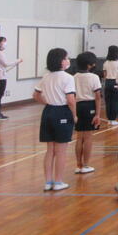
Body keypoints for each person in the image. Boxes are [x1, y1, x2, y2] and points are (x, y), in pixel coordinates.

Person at [34, 48, 76, 192]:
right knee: (61, 151)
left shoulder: (46, 77)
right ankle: (58, 182)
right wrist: (74, 115)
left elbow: (36, 95)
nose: (68, 60)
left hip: (48, 112)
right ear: (60, 61)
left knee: (50, 150)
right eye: (66, 58)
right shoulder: (67, 77)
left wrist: (47, 102)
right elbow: (70, 100)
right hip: (62, 112)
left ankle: (48, 182)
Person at [74, 52, 101, 174]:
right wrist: (98, 114)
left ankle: (78, 165)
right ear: (89, 65)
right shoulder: (94, 77)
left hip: (77, 106)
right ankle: (85, 165)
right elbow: (98, 97)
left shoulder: (74, 77)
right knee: (88, 137)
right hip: (89, 106)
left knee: (79, 137)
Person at [0, 36, 22, 122]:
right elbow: (6, 64)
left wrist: (16, 63)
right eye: (3, 41)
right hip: (0, 78)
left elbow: (3, 67)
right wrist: (17, 61)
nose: (5, 43)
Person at [103, 45, 118, 126]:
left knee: (108, 102)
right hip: (115, 82)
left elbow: (104, 74)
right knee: (115, 102)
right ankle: (113, 119)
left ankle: (109, 119)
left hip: (107, 82)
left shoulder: (106, 63)